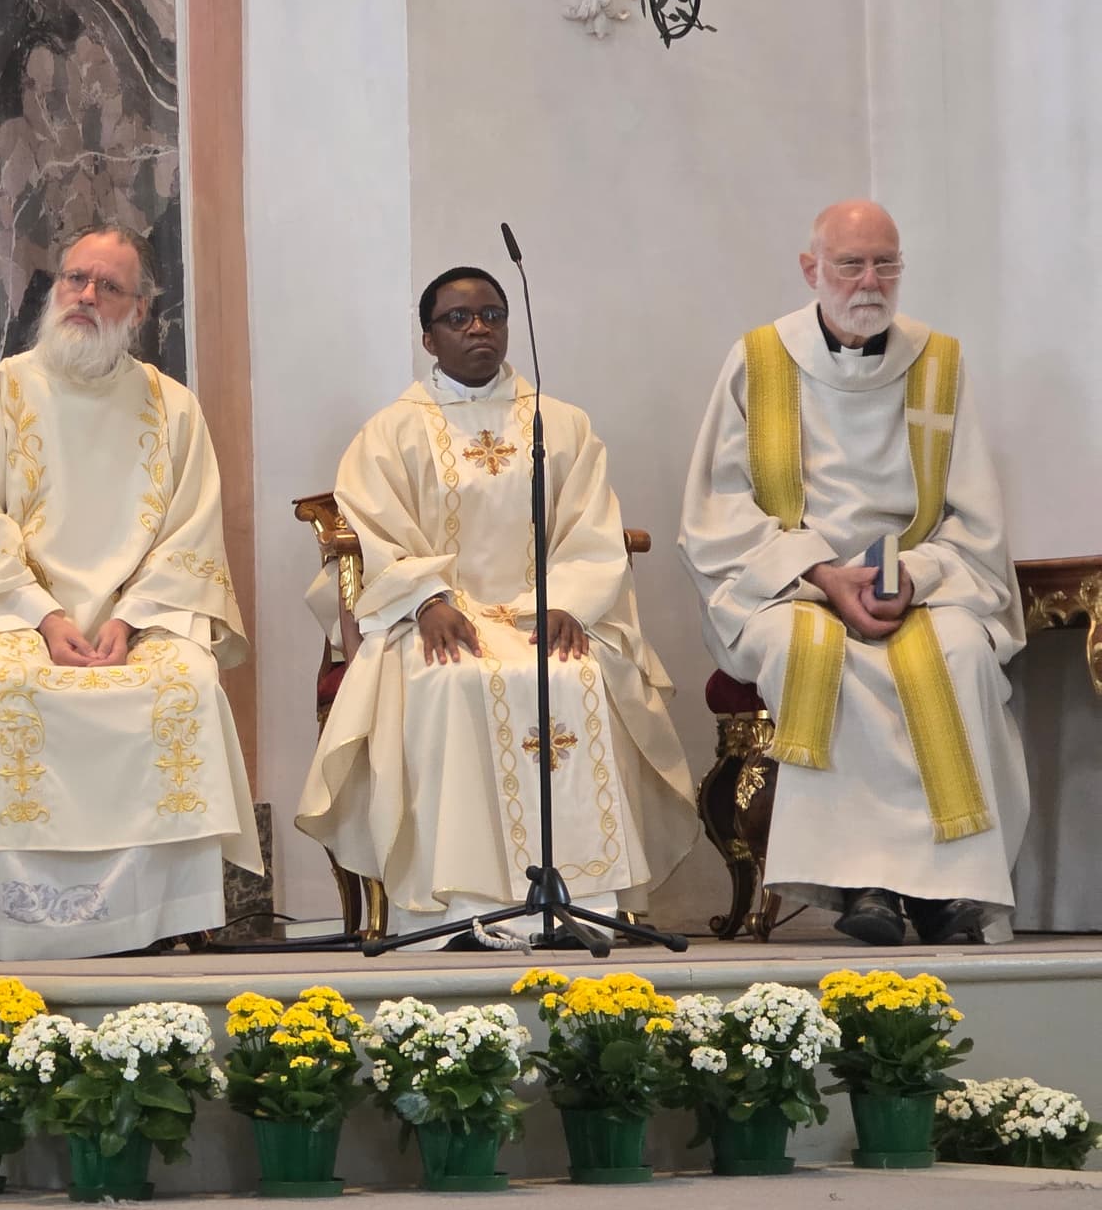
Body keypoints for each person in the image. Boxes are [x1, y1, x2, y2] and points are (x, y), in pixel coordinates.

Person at [296, 266, 696, 949]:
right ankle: (456, 909)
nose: (479, 328)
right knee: (452, 681)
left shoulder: (561, 424)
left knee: (576, 677)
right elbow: (373, 530)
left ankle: (579, 897)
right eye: (458, 318)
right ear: (428, 338)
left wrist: (565, 600)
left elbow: (591, 527)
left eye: (492, 314)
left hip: (541, 615)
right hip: (435, 618)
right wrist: (425, 599)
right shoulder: (391, 432)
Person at [677, 199, 1029, 946]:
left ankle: (947, 891)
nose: (870, 280)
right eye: (851, 263)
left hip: (920, 581)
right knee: (815, 651)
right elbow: (716, 509)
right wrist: (824, 573)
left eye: (885, 263)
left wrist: (915, 576)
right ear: (812, 269)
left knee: (960, 653)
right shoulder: (758, 360)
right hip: (795, 578)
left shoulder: (939, 363)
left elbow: (976, 517)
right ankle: (860, 885)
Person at [0, 224, 259, 959]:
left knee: (188, 681)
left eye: (108, 286)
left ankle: (170, 915)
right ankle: (4, 918)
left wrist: (131, 621)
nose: (86, 296)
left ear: (138, 310)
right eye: (75, 279)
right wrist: (41, 617)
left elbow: (189, 532)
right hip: (16, 620)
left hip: (134, 625)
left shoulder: (174, 409)